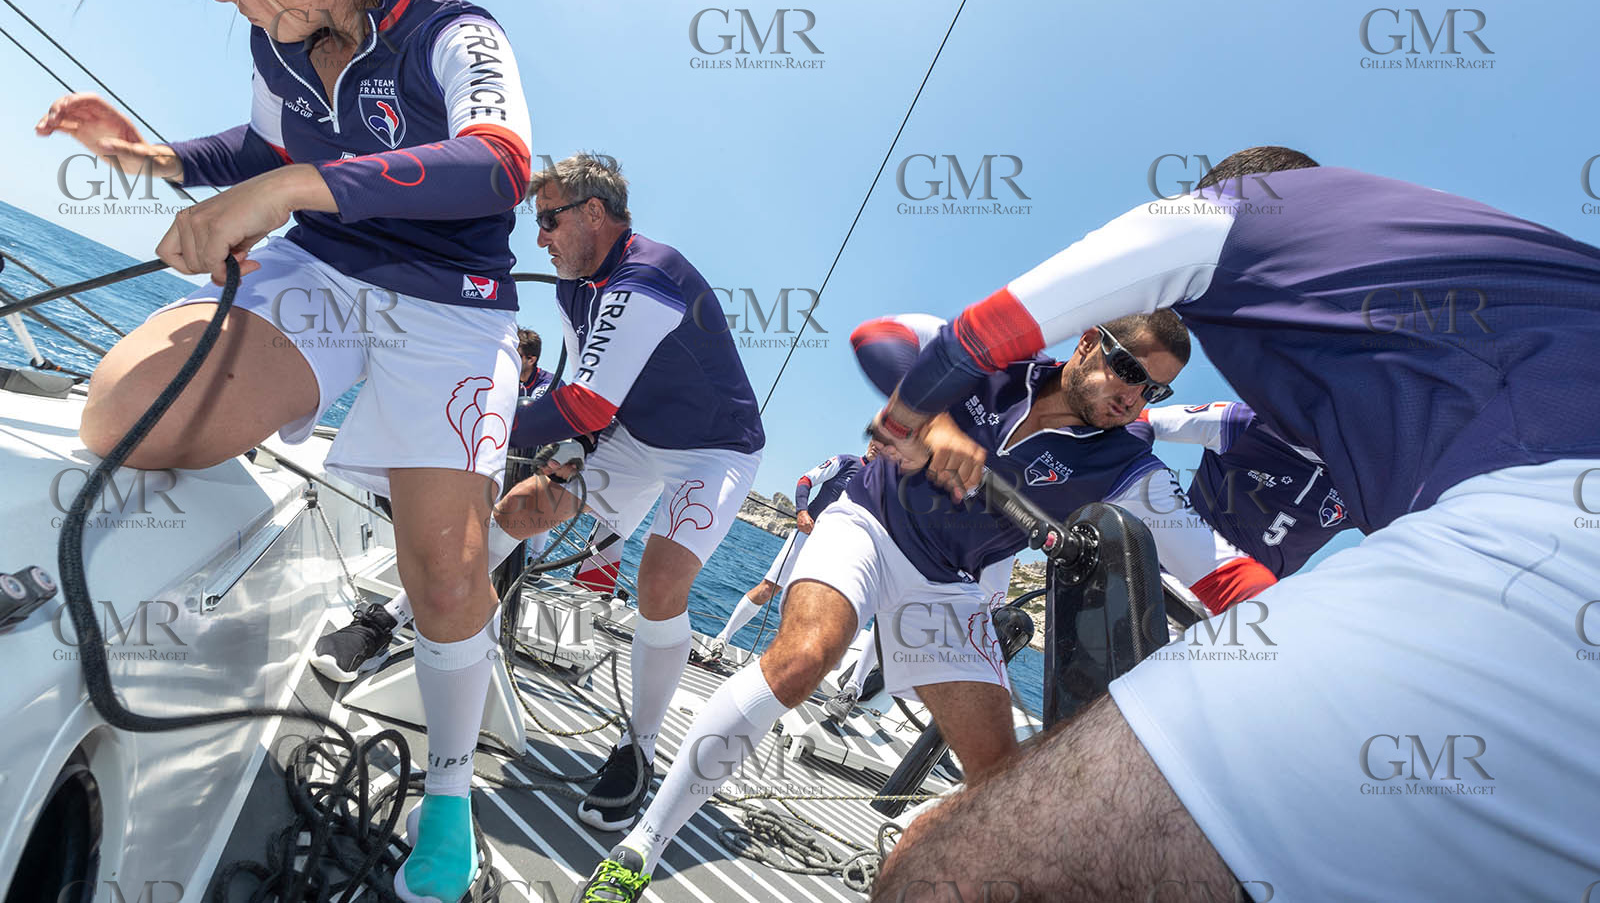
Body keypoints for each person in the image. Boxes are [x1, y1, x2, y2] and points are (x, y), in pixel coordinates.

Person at [866, 148, 1600, 902]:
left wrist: (907, 418)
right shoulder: (1482, 249)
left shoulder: (1233, 213)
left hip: (1509, 552)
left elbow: (988, 328)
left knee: (956, 867)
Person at [36, 0, 534, 900]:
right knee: (126, 412)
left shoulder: (458, 33)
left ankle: (449, 791)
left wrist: (287, 192)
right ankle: (269, 464)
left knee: (446, 575)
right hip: (329, 269)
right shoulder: (279, 42)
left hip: (452, 305)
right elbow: (265, 152)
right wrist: (154, 158)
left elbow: (499, 162)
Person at [571, 308, 1274, 901]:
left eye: (1153, 388)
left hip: (946, 585)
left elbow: (1220, 570)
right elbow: (879, 337)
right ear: (1089, 342)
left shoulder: (1129, 464)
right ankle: (640, 849)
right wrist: (932, 422)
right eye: (1127, 369)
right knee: (803, 658)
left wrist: (1302, 624)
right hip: (868, 523)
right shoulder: (997, 361)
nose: (1134, 395)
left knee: (1003, 783)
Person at [490, 152, 765, 834]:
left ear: (593, 212)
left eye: (549, 220)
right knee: (519, 510)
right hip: (633, 438)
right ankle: (399, 614)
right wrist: (568, 458)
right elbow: (581, 389)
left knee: (660, 581)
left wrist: (486, 423)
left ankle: (638, 748)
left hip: (714, 449)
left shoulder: (649, 274)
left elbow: (584, 402)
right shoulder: (571, 288)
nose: (540, 238)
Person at [309, 326, 557, 684]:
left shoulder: (547, 383)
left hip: (591, 442)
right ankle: (394, 619)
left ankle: (509, 581)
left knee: (531, 508)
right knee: (491, 519)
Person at [1142, 400, 1351, 581]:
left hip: (1238, 603)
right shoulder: (1240, 422)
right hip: (1161, 575)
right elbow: (1141, 422)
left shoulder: (1360, 482)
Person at [702, 448, 870, 661]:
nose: (877, 445)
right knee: (767, 589)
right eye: (876, 439)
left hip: (834, 549)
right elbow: (806, 480)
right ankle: (722, 639)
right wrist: (802, 511)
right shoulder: (845, 462)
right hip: (806, 535)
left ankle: (777, 659)